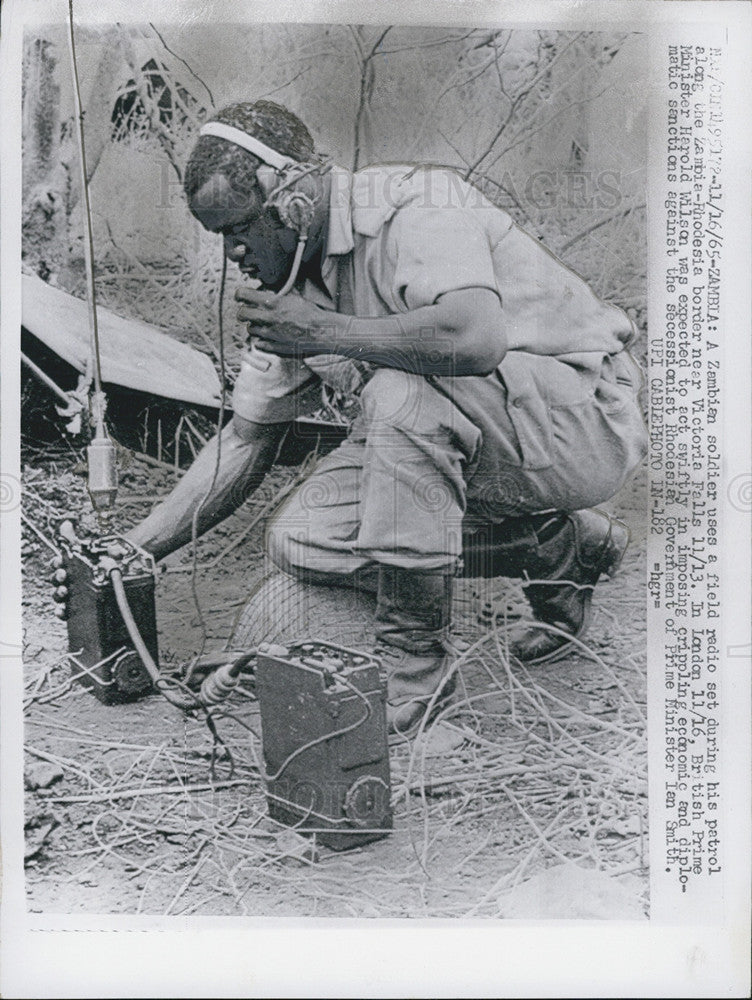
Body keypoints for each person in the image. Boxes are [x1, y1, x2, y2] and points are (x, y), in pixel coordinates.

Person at [127, 100, 647, 735]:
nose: (232, 252)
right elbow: (245, 440)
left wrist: (330, 332)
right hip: (484, 442)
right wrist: (135, 551)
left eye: (239, 228)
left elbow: (476, 338)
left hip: (580, 424)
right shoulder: (288, 283)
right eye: (220, 236)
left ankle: (416, 666)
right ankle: (558, 547)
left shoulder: (416, 206)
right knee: (300, 538)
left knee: (401, 394)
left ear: (289, 200)